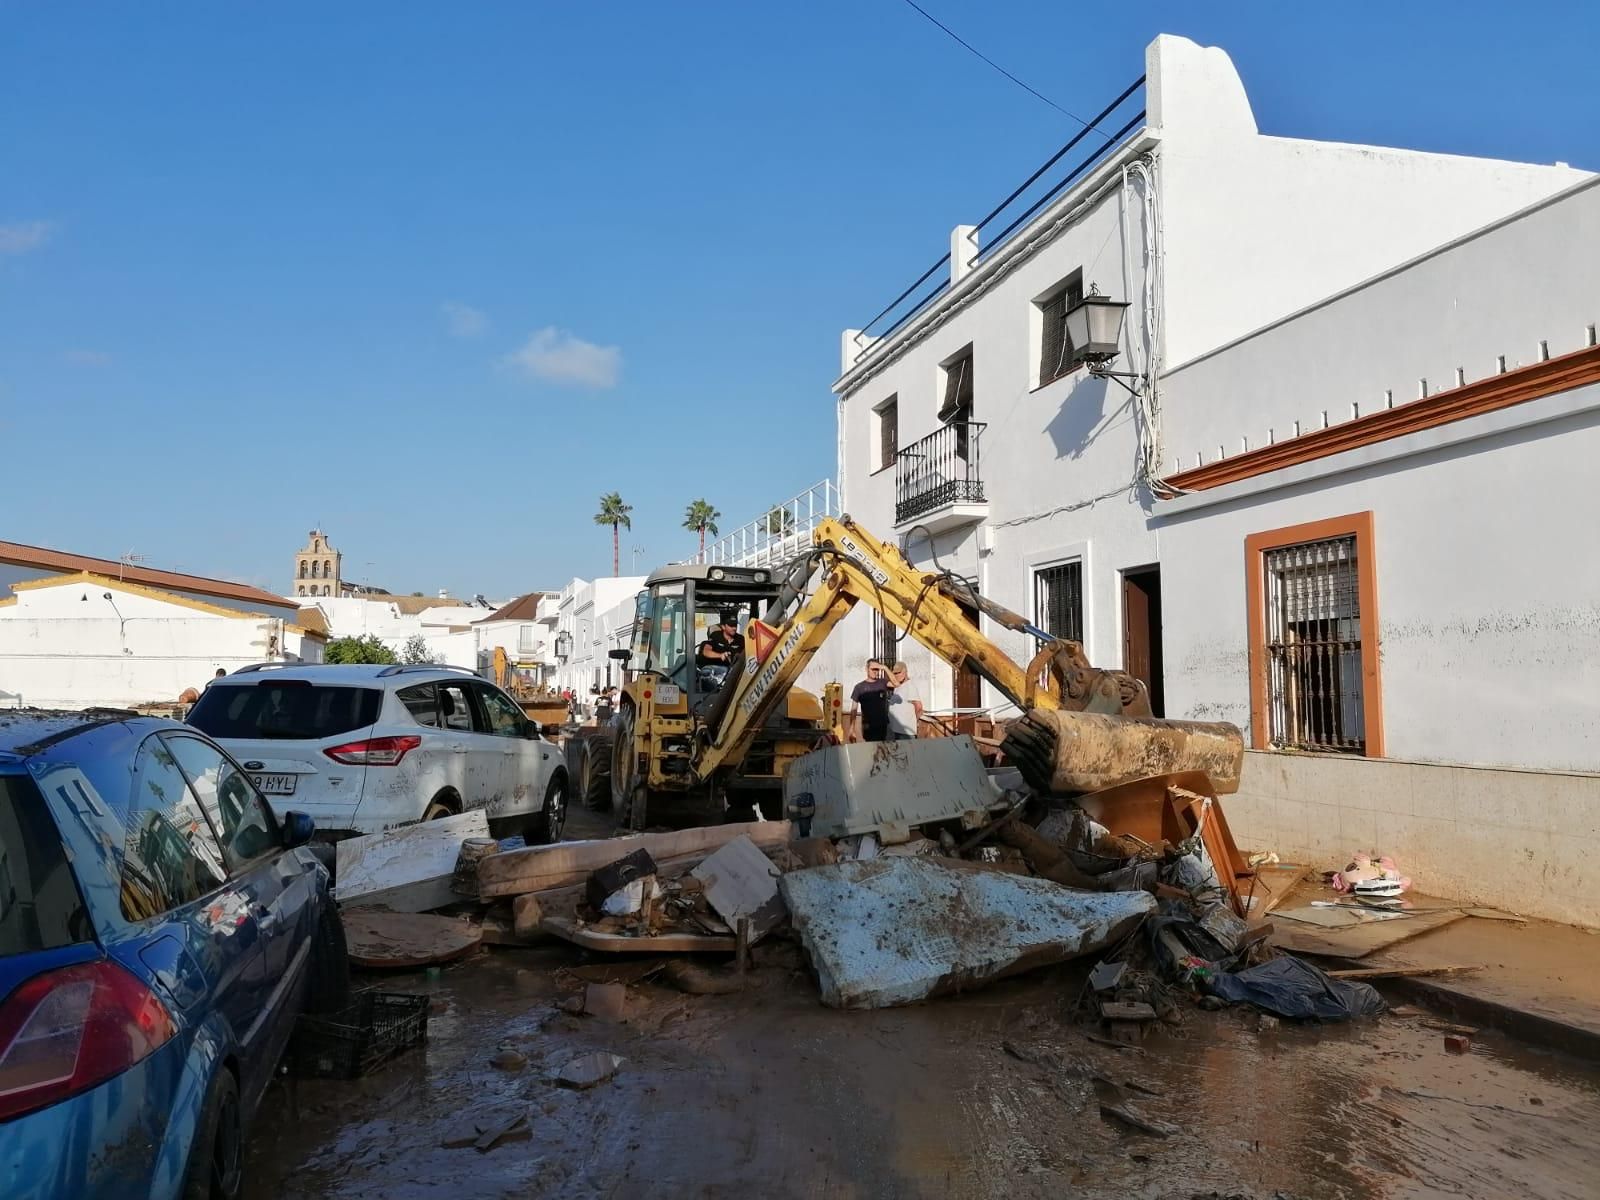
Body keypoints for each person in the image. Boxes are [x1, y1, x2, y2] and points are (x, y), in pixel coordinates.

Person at [850, 658, 892, 742]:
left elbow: (896, 684)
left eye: (877, 669)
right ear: (866, 669)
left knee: (882, 751)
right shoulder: (859, 687)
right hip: (868, 726)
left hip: (882, 725)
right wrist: (852, 729)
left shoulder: (883, 682)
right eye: (873, 669)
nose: (875, 671)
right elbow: (853, 709)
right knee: (871, 751)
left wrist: (885, 668)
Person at [886, 660, 922, 741]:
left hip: (906, 733)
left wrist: (913, 722)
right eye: (894, 673)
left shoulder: (910, 686)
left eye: (898, 673)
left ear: (905, 671)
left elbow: (919, 707)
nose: (896, 675)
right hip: (895, 730)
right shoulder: (897, 686)